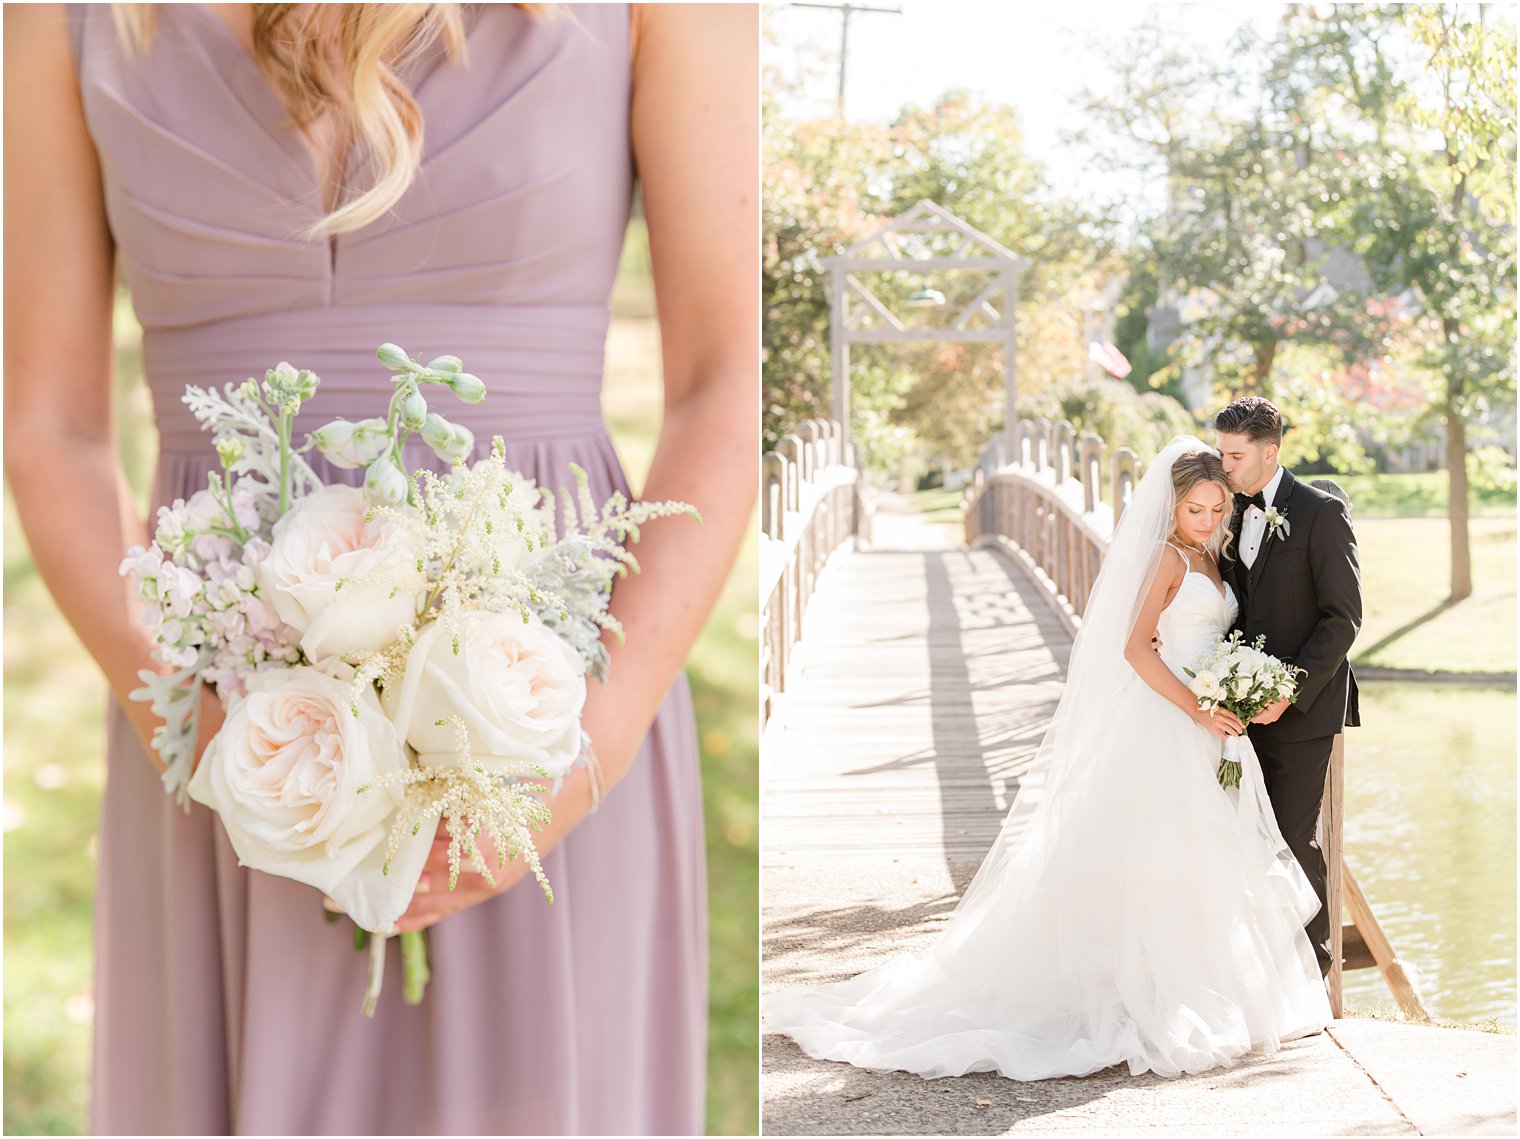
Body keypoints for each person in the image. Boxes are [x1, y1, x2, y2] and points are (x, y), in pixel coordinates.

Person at [3, 3, 757, 1133]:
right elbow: (50, 421)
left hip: (548, 707)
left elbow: (724, 381)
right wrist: (201, 724)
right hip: (223, 733)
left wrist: (581, 748)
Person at [765, 437, 1331, 1080]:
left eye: (1215, 509)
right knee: (1159, 855)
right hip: (1170, 717)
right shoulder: (1168, 559)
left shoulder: (1210, 553)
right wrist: (1198, 707)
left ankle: (1199, 985)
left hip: (1209, 721)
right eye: (1194, 510)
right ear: (1171, 507)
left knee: (1195, 860)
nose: (1206, 521)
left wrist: (1228, 689)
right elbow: (1136, 650)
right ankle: (1144, 993)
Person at [1215, 396, 1362, 978]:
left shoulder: (1322, 514)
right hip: (1235, 706)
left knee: (1293, 835)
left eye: (1234, 454)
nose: (1222, 464)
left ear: (1269, 452)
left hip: (1304, 708)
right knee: (1240, 830)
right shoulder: (1224, 508)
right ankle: (1254, 968)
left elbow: (1343, 616)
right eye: (1220, 451)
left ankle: (1311, 970)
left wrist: (1288, 690)